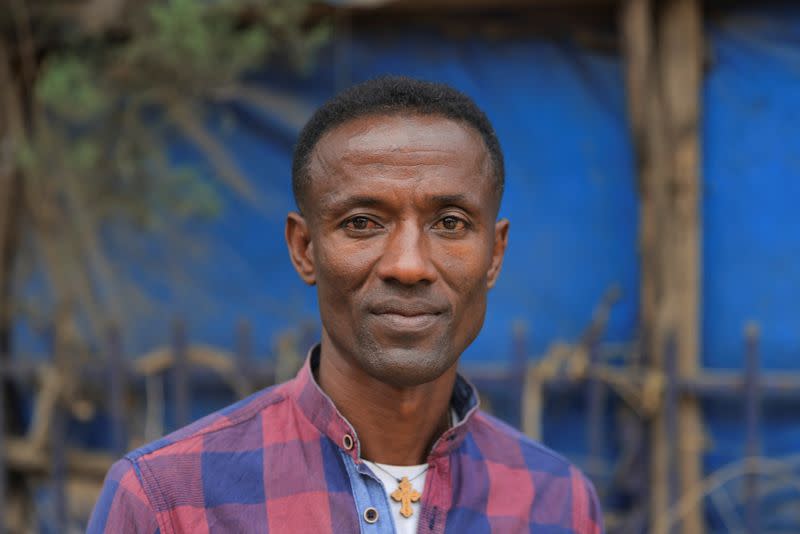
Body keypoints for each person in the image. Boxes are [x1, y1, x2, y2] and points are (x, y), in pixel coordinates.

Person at [88, 76, 603, 534]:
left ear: (495, 254)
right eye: (362, 222)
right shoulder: (169, 503)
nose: (408, 265)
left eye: (450, 223)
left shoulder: (559, 503)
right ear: (304, 248)